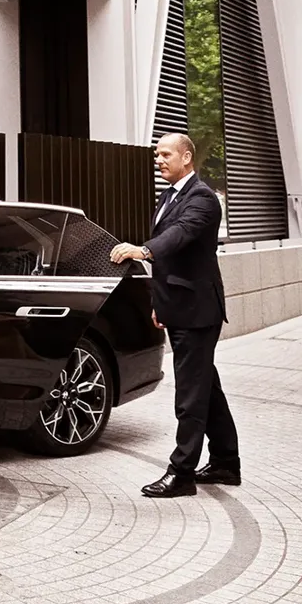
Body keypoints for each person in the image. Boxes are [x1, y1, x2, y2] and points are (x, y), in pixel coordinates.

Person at [110, 132, 241, 498]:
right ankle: (226, 463)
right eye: (157, 154)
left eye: (166, 154)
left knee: (190, 394)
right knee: (206, 389)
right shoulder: (169, 196)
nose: (159, 160)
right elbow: (173, 260)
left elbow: (180, 237)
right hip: (180, 307)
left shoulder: (202, 198)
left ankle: (181, 472)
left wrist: (142, 250)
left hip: (199, 311)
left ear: (186, 157)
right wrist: (159, 303)